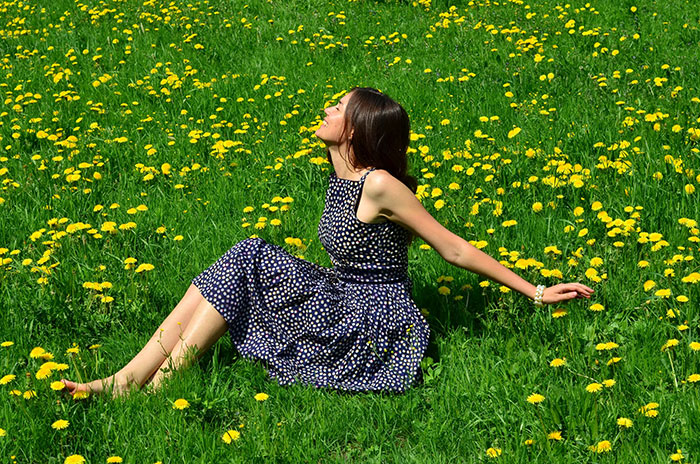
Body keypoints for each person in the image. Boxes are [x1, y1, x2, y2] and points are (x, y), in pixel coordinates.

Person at [61, 87, 593, 397]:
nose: (327, 111)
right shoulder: (338, 174)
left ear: (356, 129)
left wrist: (536, 291)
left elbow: (452, 248)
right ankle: (133, 378)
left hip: (374, 315)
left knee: (248, 256)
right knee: (245, 257)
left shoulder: (380, 184)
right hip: (340, 294)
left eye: (338, 108)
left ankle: (154, 386)